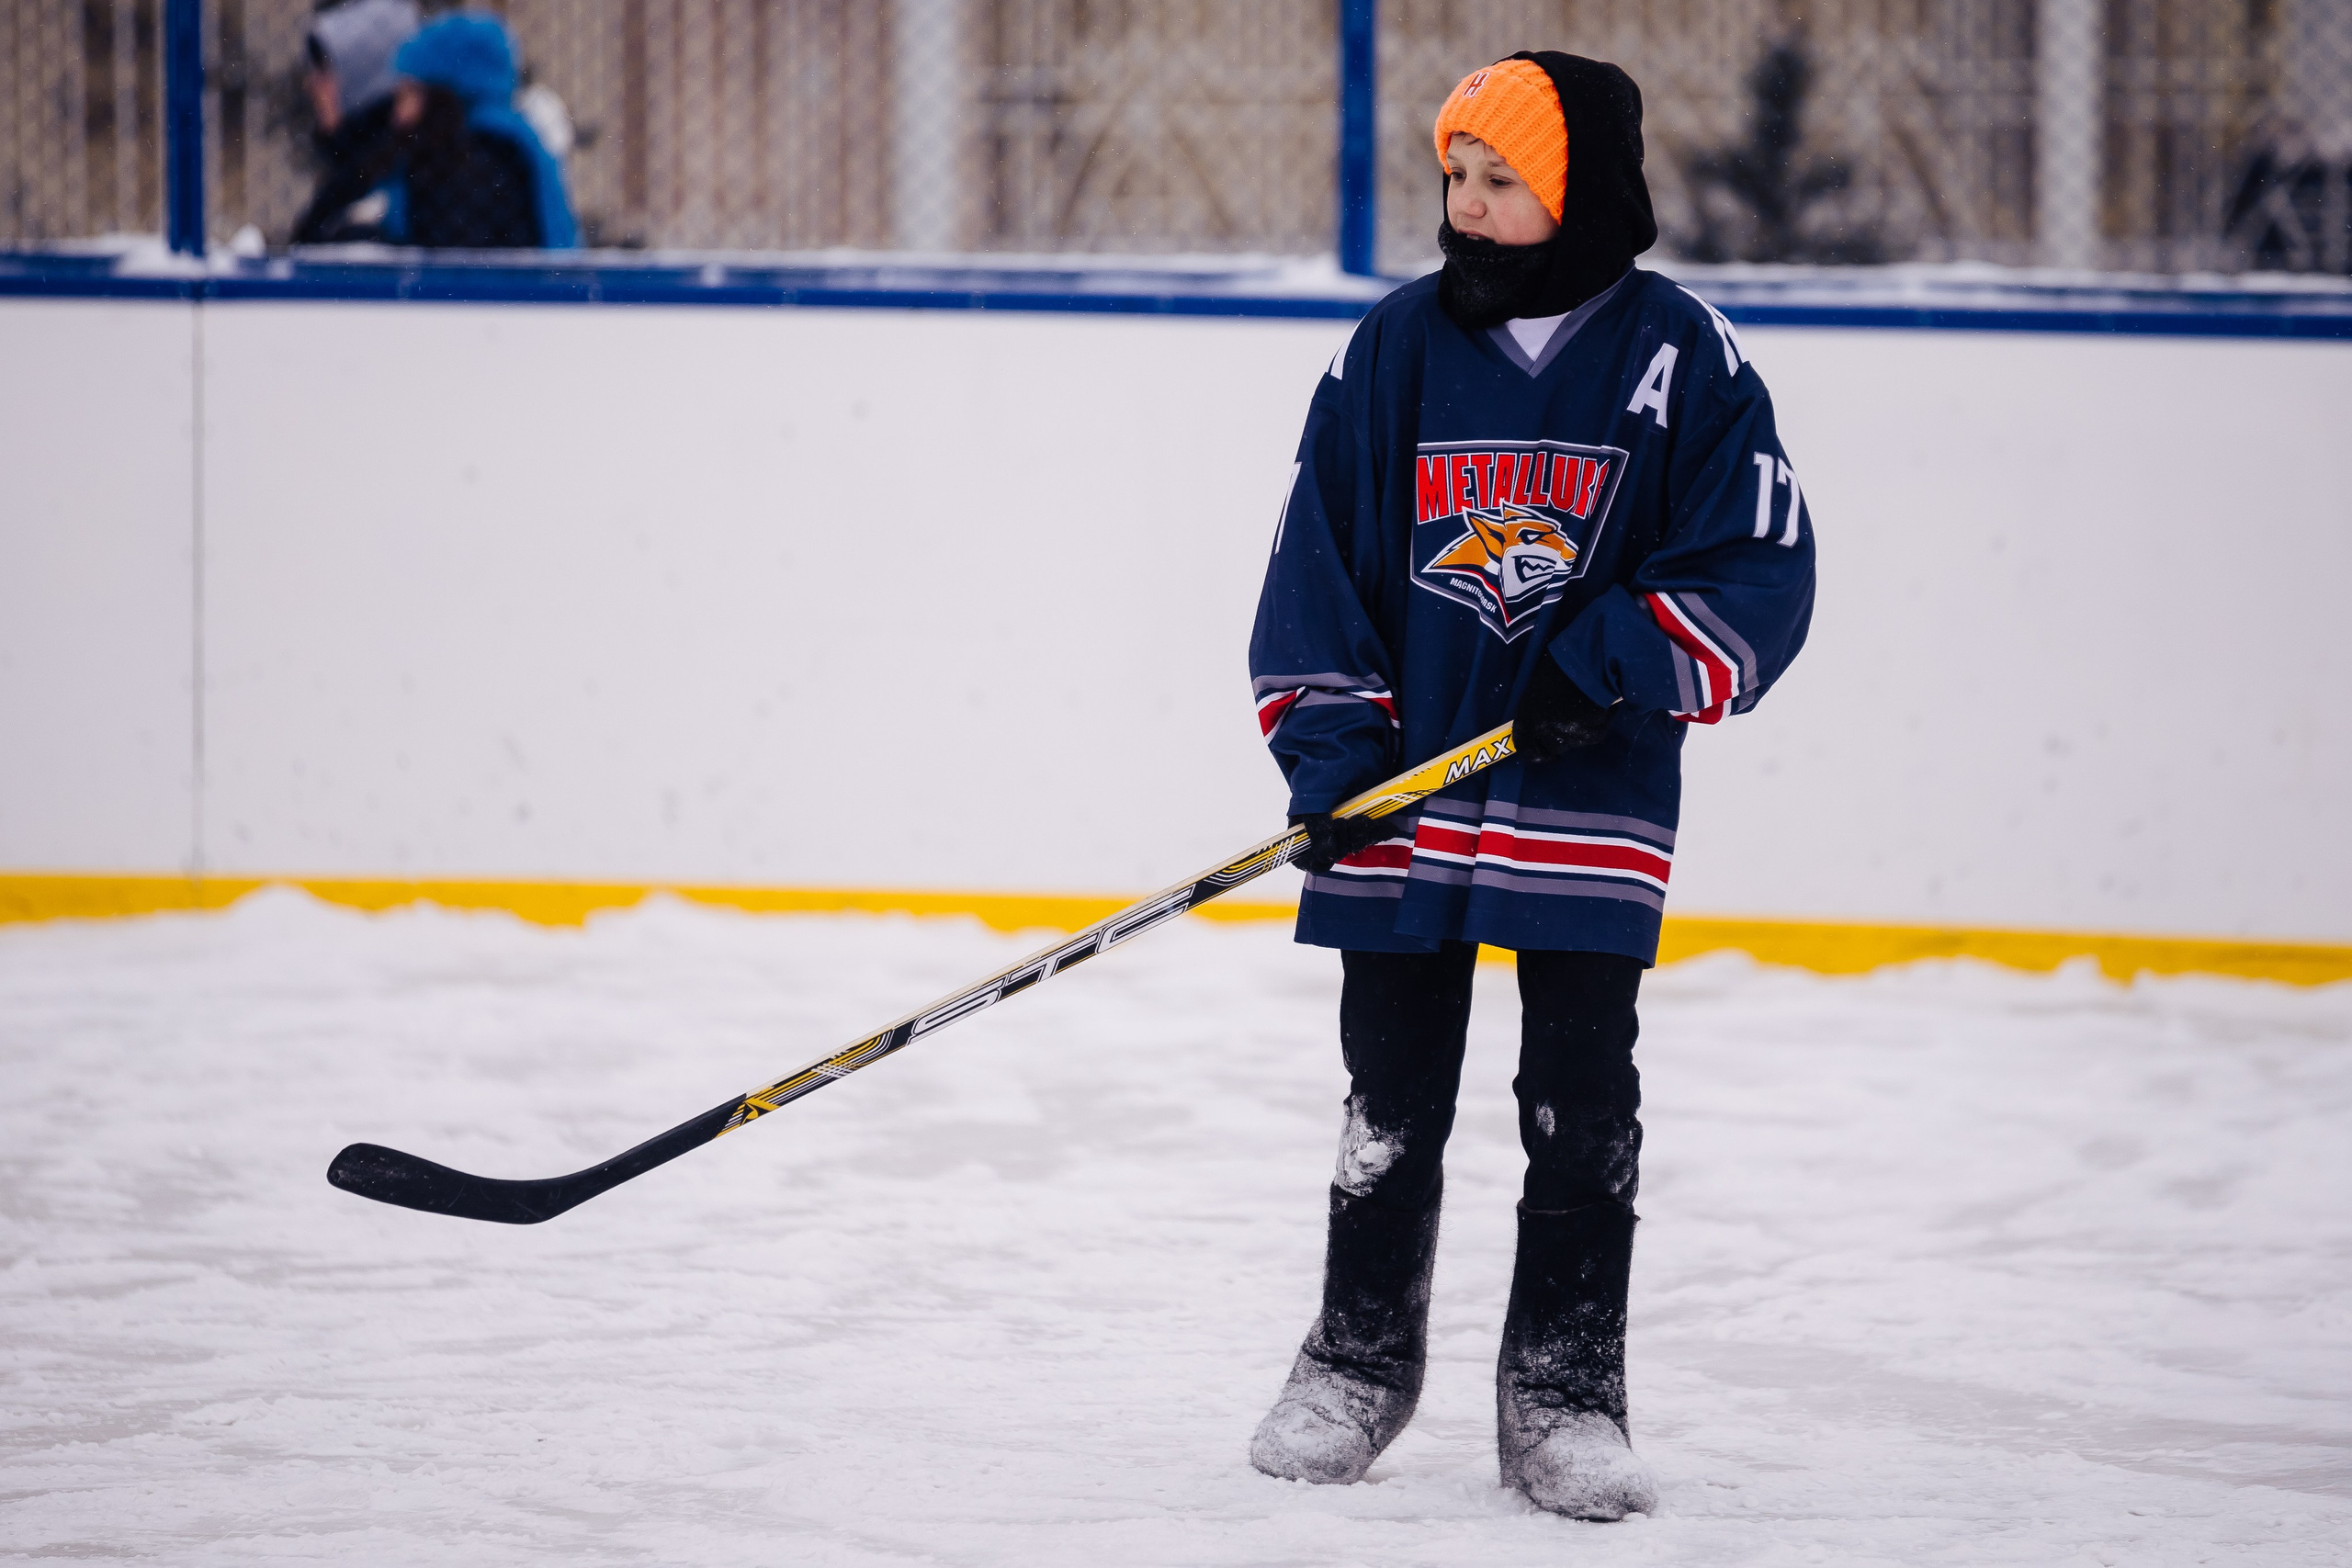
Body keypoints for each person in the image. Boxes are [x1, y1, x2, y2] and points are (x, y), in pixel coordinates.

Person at [1246, 52, 1816, 1520]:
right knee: (1389, 1094)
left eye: (1501, 179)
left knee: (1581, 1102)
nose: (1469, 207)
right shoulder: (1394, 349)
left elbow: (1758, 561)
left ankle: (1566, 1390)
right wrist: (1335, 754)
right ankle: (1356, 1361)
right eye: (1456, 177)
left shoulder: (1682, 355)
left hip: (1588, 797)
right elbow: (1317, 566)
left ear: (1579, 188)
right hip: (1406, 790)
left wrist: (1615, 656)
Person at [381, 12, 577, 250]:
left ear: (441, 93)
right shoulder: (509, 145)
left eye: (408, 94)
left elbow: (449, 252)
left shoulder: (469, 162)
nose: (398, 114)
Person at [290, 0, 419, 244]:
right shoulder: (358, 170)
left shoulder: (388, 186)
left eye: (324, 70)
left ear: (361, 78)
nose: (311, 85)